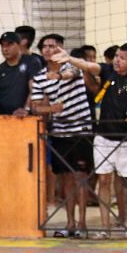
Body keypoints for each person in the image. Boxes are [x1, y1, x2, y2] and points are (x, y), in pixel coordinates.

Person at [52, 43, 127, 237]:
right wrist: (69, 58)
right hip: (103, 136)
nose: (117, 60)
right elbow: (87, 66)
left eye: (122, 58)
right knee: (104, 180)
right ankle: (105, 228)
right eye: (116, 57)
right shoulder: (106, 71)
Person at [31, 34, 93, 238]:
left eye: (54, 46)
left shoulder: (71, 67)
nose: (50, 49)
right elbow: (36, 107)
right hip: (59, 133)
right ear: (41, 52)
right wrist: (51, 109)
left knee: (80, 178)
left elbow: (71, 75)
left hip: (80, 131)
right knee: (65, 179)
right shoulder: (39, 77)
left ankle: (83, 224)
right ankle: (70, 224)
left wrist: (58, 77)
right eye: (46, 47)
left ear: (61, 49)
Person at [0, 31, 43, 116]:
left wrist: (26, 109)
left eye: (9, 45)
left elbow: (34, 89)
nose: (5, 49)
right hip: (4, 119)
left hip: (27, 117)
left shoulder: (31, 62)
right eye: (3, 45)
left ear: (19, 45)